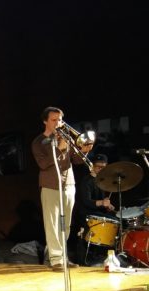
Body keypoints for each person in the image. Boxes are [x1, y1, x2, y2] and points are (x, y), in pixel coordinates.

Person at [31, 106, 94, 272]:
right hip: (50, 185)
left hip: (69, 185)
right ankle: (56, 260)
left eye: (60, 120)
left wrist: (84, 151)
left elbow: (77, 160)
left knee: (65, 225)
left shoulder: (65, 137)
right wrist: (59, 147)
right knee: (52, 224)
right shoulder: (39, 142)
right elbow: (43, 164)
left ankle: (63, 257)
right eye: (54, 120)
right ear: (45, 121)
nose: (58, 123)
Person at [71, 154, 116, 265]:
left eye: (103, 167)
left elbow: (101, 201)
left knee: (116, 217)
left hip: (96, 212)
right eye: (98, 167)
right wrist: (102, 202)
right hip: (86, 214)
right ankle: (84, 259)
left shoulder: (102, 181)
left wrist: (107, 205)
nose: (101, 169)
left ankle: (106, 256)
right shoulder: (86, 181)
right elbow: (86, 201)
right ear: (92, 166)